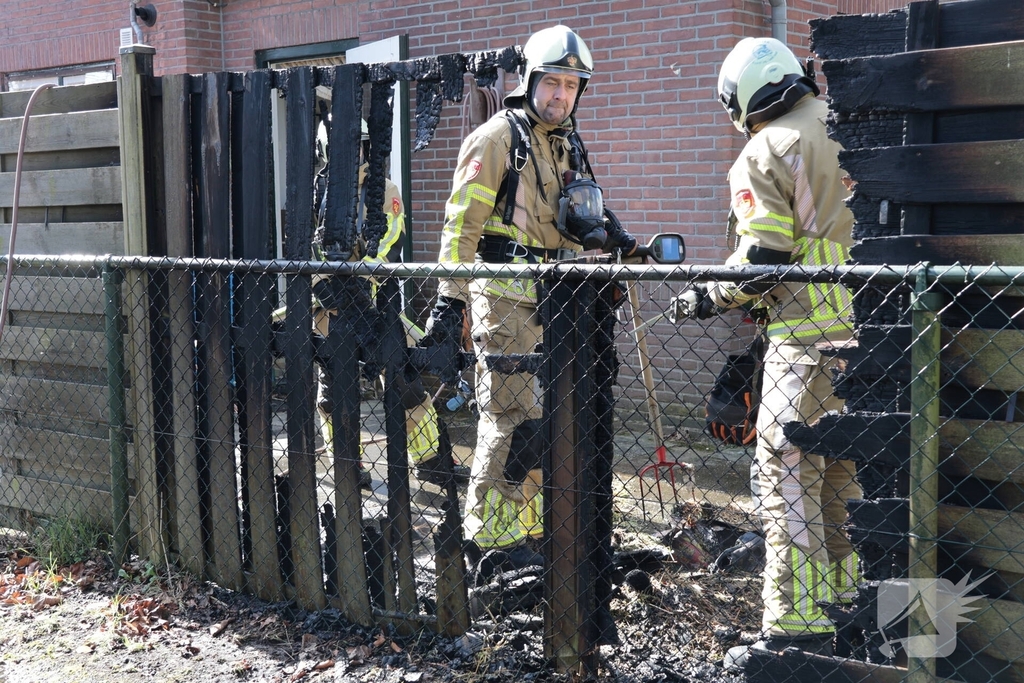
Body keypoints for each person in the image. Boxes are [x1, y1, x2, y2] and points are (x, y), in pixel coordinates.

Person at [669, 37, 862, 668]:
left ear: (743, 99)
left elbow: (765, 260)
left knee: (785, 476)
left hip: (806, 338)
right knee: (844, 476)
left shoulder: (765, 149)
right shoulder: (843, 122)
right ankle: (853, 608)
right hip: (876, 339)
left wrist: (707, 297)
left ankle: (797, 627)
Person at [422, 25, 637, 580]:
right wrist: (449, 304)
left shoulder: (568, 141)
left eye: (572, 85)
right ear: (531, 81)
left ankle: (524, 530)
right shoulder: (498, 138)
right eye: (553, 83)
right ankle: (487, 541)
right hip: (503, 296)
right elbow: (460, 225)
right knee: (511, 418)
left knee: (551, 422)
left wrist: (614, 238)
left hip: (557, 301)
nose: (561, 94)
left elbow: (580, 215)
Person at [303, 118, 467, 489]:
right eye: (349, 147)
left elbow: (389, 246)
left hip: (374, 307)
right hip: (328, 309)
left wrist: (356, 281)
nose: (357, 154)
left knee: (404, 383)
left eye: (361, 146)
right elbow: (302, 246)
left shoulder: (384, 190)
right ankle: (347, 465)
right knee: (333, 391)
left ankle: (432, 464)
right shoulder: (315, 190)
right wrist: (322, 286)